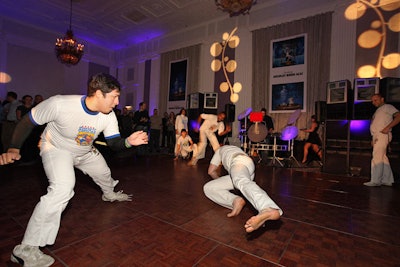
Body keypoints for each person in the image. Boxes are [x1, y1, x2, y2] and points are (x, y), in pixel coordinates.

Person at [0, 73, 148, 267]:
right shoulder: (60, 104)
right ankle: (26, 249)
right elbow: (28, 121)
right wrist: (13, 147)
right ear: (98, 93)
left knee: (104, 174)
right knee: (63, 188)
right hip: (56, 148)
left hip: (85, 151)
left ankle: (109, 194)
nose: (117, 102)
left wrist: (128, 142)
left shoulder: (109, 115)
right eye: (114, 96)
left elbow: (113, 144)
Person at [203, 145, 283, 233]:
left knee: (241, 181)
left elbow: (211, 171)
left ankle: (267, 208)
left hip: (238, 162)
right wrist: (221, 184)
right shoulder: (233, 147)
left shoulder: (219, 150)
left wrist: (218, 179)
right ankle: (236, 201)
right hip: (246, 166)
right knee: (209, 188)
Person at [364, 93, 400, 187]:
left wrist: (388, 127)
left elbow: (398, 116)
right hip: (377, 135)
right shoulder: (378, 111)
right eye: (372, 101)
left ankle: (376, 180)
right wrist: (373, 137)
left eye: (376, 100)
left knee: (377, 157)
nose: (373, 102)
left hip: (382, 134)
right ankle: (387, 180)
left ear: (382, 99)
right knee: (382, 157)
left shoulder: (388, 107)